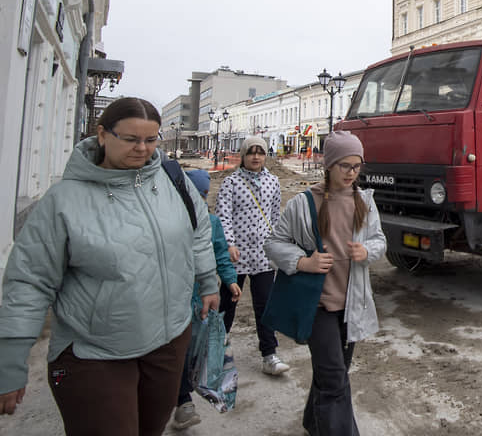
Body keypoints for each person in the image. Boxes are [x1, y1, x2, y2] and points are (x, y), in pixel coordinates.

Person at [0, 97, 219, 435]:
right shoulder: (65, 201)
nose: (143, 149)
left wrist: (207, 280)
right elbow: (30, 280)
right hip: (94, 352)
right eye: (131, 139)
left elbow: (198, 231)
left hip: (168, 342)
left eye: (151, 139)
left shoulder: (171, 179)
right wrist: (11, 358)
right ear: (102, 134)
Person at [265, 130, 386, 436]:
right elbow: (275, 243)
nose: (351, 172)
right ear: (329, 164)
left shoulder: (365, 202)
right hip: (317, 305)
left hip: (351, 305)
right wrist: (303, 262)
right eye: (345, 165)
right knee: (335, 381)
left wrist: (367, 250)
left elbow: (379, 241)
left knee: (332, 373)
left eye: (357, 166)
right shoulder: (304, 203)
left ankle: (313, 422)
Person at [170, 170, 242, 431]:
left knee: (192, 350)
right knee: (174, 349)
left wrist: (230, 279)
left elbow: (221, 254)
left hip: (200, 299)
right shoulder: (169, 222)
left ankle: (187, 390)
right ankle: (182, 401)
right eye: (193, 194)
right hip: (170, 299)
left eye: (202, 195)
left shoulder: (211, 223)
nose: (198, 200)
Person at [215, 136, 288, 375]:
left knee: (265, 305)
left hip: (263, 255)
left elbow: (276, 216)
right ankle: (214, 352)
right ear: (243, 156)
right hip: (236, 257)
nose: (256, 157)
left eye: (260, 152)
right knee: (227, 304)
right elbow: (223, 217)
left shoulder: (273, 181)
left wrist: (278, 243)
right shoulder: (231, 183)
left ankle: (269, 355)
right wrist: (229, 244)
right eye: (251, 152)